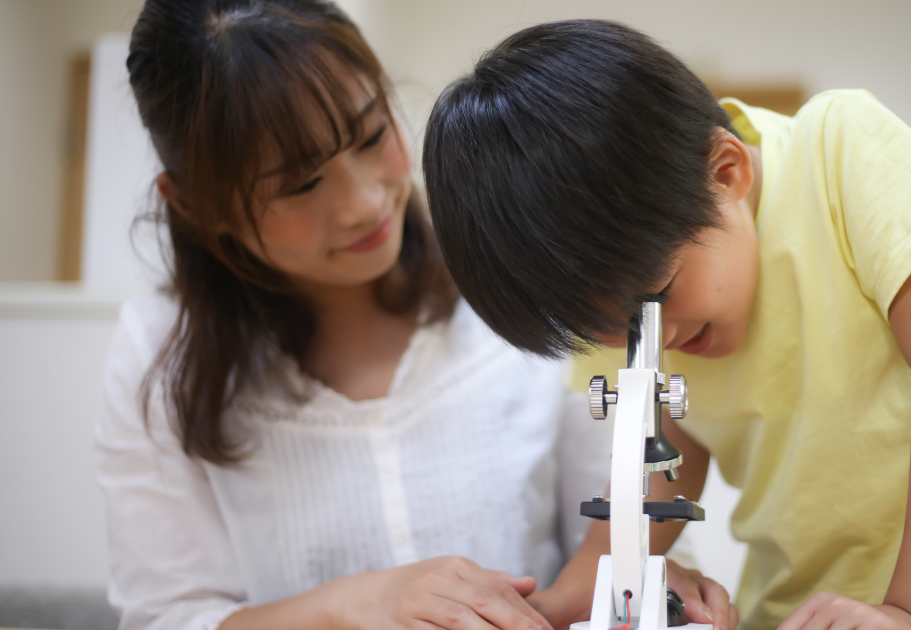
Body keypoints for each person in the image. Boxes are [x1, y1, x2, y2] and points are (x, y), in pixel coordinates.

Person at [421, 19, 911, 630]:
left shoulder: (838, 154)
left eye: (657, 297)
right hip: (799, 609)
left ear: (727, 170)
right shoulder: (626, 305)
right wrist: (585, 587)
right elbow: (665, 458)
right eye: (602, 329)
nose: (656, 338)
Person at [96, 4, 733, 630]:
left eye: (373, 136)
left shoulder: (522, 278)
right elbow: (168, 615)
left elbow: (626, 520)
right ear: (196, 204)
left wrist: (646, 580)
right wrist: (352, 606)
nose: (365, 201)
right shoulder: (158, 352)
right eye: (299, 185)